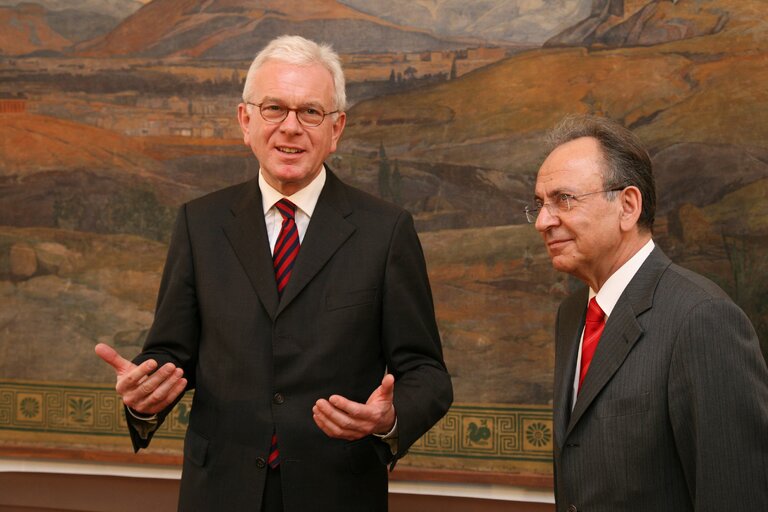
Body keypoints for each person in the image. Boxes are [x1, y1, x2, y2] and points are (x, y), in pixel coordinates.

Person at [95, 35, 452, 512]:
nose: (291, 128)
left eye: (310, 113)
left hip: (337, 493)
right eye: (274, 109)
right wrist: (144, 397)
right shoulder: (199, 224)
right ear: (245, 121)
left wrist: (388, 420)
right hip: (220, 492)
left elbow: (426, 372)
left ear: (336, 129)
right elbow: (170, 353)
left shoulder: (385, 232)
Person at [527, 114, 768, 512]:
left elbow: (735, 493)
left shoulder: (702, 319)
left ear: (627, 205)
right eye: (539, 204)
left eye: (563, 200)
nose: (542, 221)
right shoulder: (572, 315)